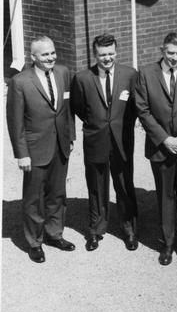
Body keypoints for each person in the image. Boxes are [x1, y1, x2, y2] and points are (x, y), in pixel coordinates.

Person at [135, 32, 177, 266]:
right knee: (165, 196)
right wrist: (165, 139)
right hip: (161, 147)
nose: (175, 58)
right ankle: (166, 242)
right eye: (170, 53)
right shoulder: (146, 73)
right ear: (162, 50)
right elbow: (143, 110)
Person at [6, 36, 76, 263]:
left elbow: (67, 108)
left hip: (60, 145)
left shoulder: (63, 73)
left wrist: (70, 136)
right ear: (33, 57)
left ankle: (54, 234)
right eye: (45, 54)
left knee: (57, 194)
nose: (51, 57)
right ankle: (34, 242)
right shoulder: (20, 82)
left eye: (53, 52)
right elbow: (15, 122)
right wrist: (22, 153)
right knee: (34, 198)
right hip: (35, 149)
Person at [71, 34, 139, 252]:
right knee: (96, 187)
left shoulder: (130, 75)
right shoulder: (82, 78)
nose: (107, 58)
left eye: (110, 53)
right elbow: (79, 108)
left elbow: (134, 108)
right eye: (102, 55)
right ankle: (96, 230)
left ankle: (129, 229)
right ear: (95, 54)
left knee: (124, 185)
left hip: (122, 140)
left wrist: (121, 126)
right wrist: (98, 124)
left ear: (116, 52)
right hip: (95, 139)